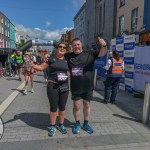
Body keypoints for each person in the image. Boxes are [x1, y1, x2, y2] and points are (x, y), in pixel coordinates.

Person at [64, 37, 107, 134]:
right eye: (74, 45)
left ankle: (86, 123)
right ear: (72, 46)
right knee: (76, 105)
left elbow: (102, 53)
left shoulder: (89, 53)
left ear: (81, 45)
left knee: (87, 104)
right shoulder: (68, 56)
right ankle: (77, 123)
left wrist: (104, 45)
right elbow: (58, 56)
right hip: (76, 86)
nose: (76, 46)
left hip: (88, 85)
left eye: (78, 44)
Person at [31, 42, 69, 136]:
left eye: (64, 47)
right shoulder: (51, 58)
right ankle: (52, 126)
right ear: (57, 48)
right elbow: (41, 67)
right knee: (53, 107)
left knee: (62, 107)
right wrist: (32, 65)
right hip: (52, 86)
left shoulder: (68, 58)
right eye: (60, 46)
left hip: (64, 86)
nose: (62, 48)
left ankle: (61, 124)